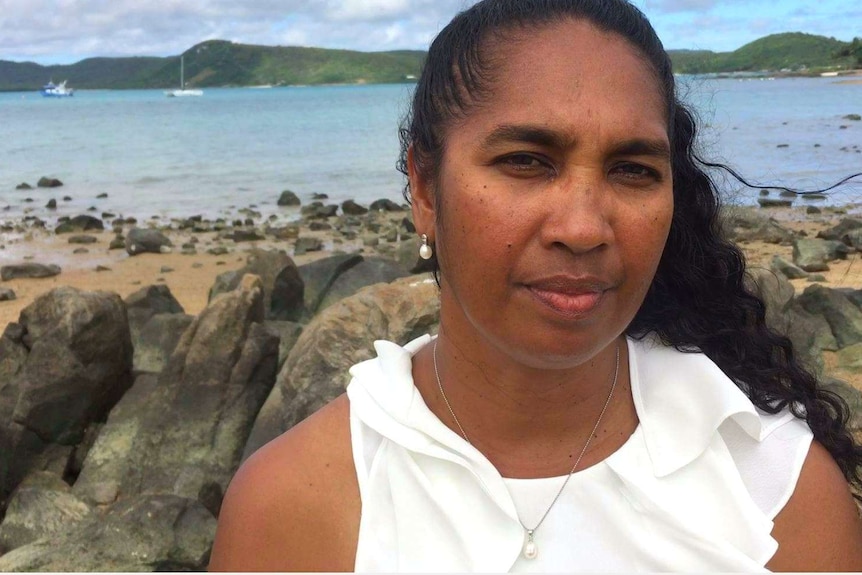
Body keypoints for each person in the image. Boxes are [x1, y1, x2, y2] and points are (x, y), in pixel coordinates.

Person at [208, 0, 862, 571]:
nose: (582, 227)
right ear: (425, 188)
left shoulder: (773, 487)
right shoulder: (296, 506)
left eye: (632, 170)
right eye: (526, 161)